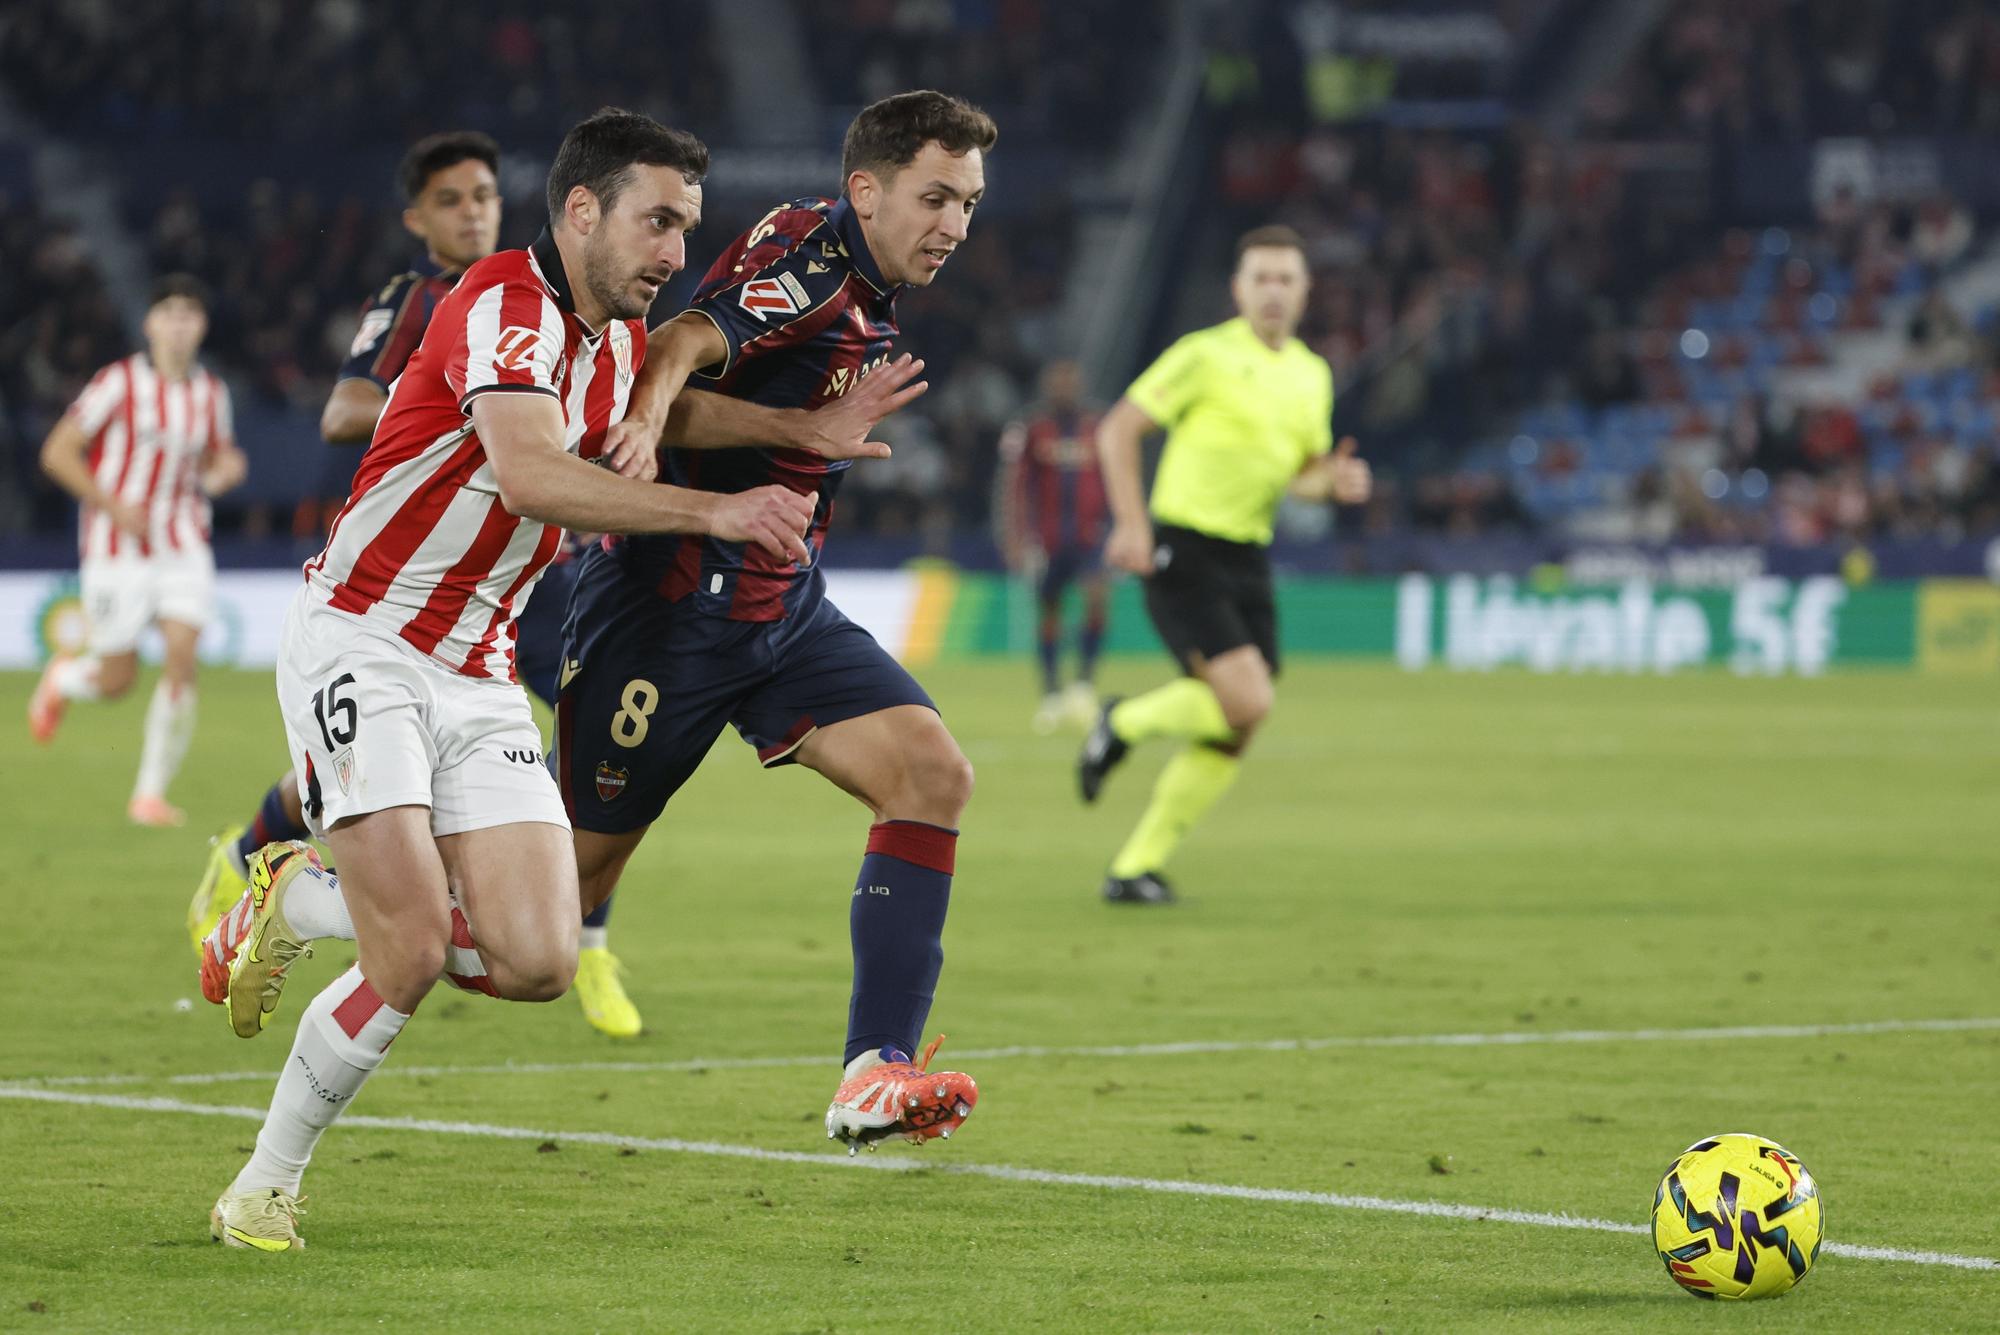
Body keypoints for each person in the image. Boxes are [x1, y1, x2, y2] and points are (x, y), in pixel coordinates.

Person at [202, 108, 830, 1252]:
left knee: (537, 962)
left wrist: (804, 430)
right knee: (405, 956)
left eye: (686, 227)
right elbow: (532, 475)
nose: (674, 252)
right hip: (366, 636)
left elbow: (671, 398)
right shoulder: (496, 300)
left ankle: (294, 894)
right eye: (656, 221)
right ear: (581, 210)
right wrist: (714, 507)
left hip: (480, 666)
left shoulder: (609, 342)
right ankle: (262, 1185)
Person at [552, 89, 996, 1155]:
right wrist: (674, 422)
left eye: (970, 205)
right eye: (934, 198)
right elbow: (674, 351)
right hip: (666, 617)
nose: (954, 225)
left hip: (776, 606)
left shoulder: (847, 272)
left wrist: (799, 437)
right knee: (549, 913)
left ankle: (872, 1069)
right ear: (866, 192)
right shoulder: (809, 273)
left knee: (930, 773)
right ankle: (313, 896)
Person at [185, 132, 644, 1040]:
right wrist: (466, 395)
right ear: (417, 219)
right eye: (452, 199)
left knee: (598, 744)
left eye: (483, 194)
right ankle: (257, 861)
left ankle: (582, 936)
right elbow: (343, 407)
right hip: (418, 571)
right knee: (380, 764)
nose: (474, 211)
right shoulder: (423, 300)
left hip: (532, 573)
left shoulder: (562, 307)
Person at [1076, 225, 1372, 904]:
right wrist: (1131, 521)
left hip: (1248, 554)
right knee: (1249, 700)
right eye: (1260, 278)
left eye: (1286, 279)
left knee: (1239, 725)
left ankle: (1133, 867)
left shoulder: (1311, 373)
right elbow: (1117, 428)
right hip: (1185, 544)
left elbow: (1301, 473)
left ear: (1305, 292)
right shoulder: (1202, 355)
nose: (1273, 291)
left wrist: (1335, 483)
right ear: (1238, 289)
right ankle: (1122, 722)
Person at [29, 275, 249, 826]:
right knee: (116, 680)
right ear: (150, 323)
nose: (179, 323)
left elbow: (218, 459)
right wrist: (111, 505)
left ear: (201, 325)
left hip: (183, 545)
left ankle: (148, 795)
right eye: (168, 311)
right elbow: (58, 452)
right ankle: (63, 679)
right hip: (117, 549)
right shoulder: (117, 383)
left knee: (182, 657)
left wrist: (227, 470)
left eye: (190, 313)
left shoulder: (211, 393)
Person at [997, 359, 1108, 733]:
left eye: (1070, 381)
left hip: (1091, 536)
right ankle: (1051, 694)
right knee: (1050, 612)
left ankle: (1084, 686)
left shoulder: (1097, 427)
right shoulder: (1033, 429)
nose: (1064, 388)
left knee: (1096, 600)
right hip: (1048, 539)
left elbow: (1113, 478)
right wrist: (1015, 538)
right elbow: (1015, 486)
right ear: (1048, 387)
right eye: (1057, 382)